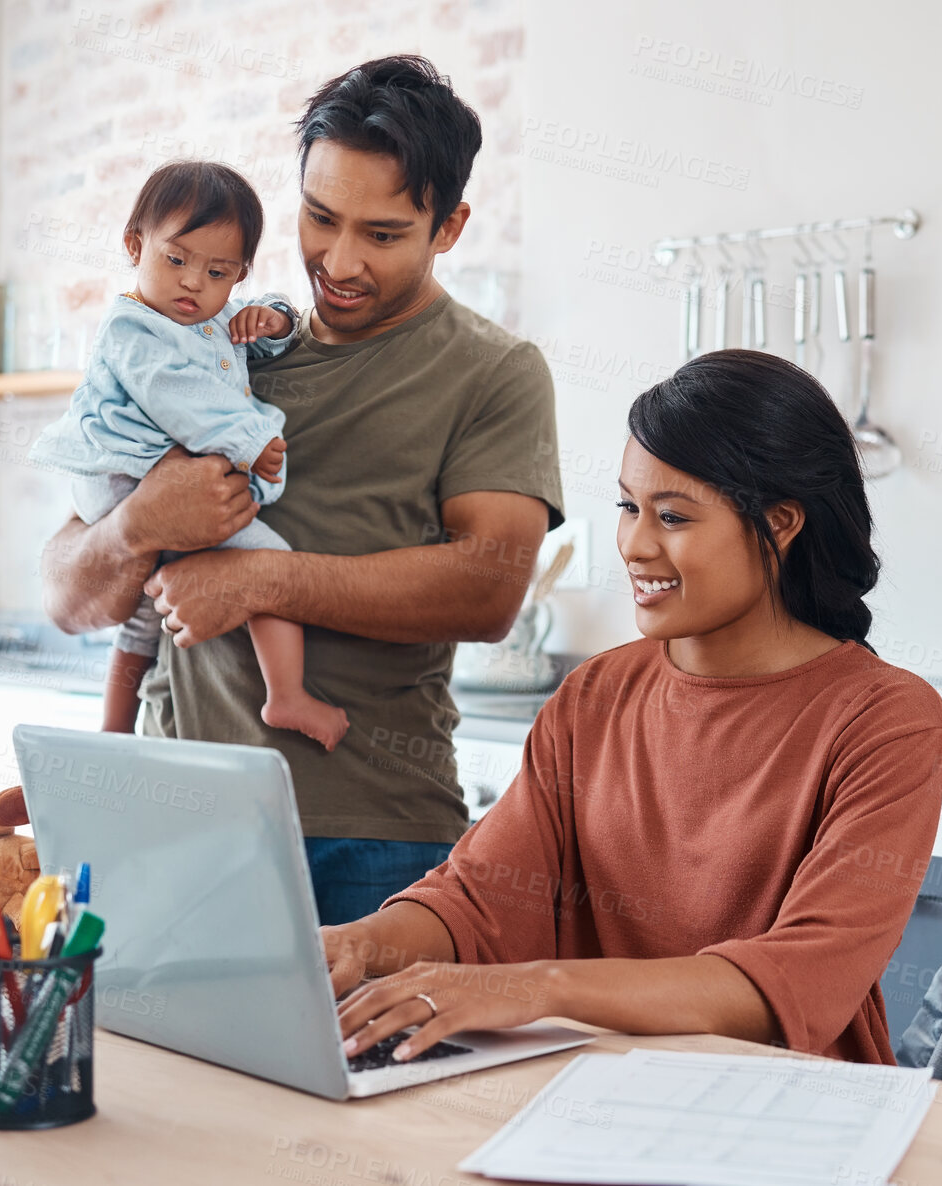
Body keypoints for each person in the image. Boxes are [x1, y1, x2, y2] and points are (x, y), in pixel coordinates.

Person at [40, 56, 564, 924]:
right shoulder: (211, 348)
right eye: (320, 219)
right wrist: (138, 524)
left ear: (450, 226)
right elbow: (66, 593)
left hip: (377, 838)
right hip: (178, 818)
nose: (341, 261)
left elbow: (489, 588)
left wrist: (262, 580)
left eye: (384, 233)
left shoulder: (494, 372)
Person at [322, 350, 942, 1067]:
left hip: (791, 1110)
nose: (635, 544)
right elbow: (479, 898)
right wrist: (353, 943)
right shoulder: (595, 695)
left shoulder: (887, 719)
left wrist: (540, 988)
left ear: (780, 523)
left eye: (674, 517)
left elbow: (798, 981)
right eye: (628, 506)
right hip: (589, 1089)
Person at [30, 161, 348, 750]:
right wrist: (250, 444)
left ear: (238, 274)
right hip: (124, 476)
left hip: (135, 477)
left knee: (144, 614)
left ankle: (113, 732)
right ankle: (288, 696)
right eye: (176, 260)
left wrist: (272, 317)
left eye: (218, 271)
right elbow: (179, 397)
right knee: (270, 558)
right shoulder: (136, 326)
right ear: (135, 245)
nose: (193, 283)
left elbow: (258, 330)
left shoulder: (210, 316)